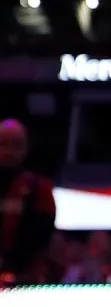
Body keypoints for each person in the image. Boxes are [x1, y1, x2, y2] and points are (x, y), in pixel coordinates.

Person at [0, 119, 56, 283]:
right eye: (3, 143)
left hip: (24, 280)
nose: (9, 150)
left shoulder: (40, 189)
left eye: (17, 144)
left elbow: (40, 240)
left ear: (25, 148)